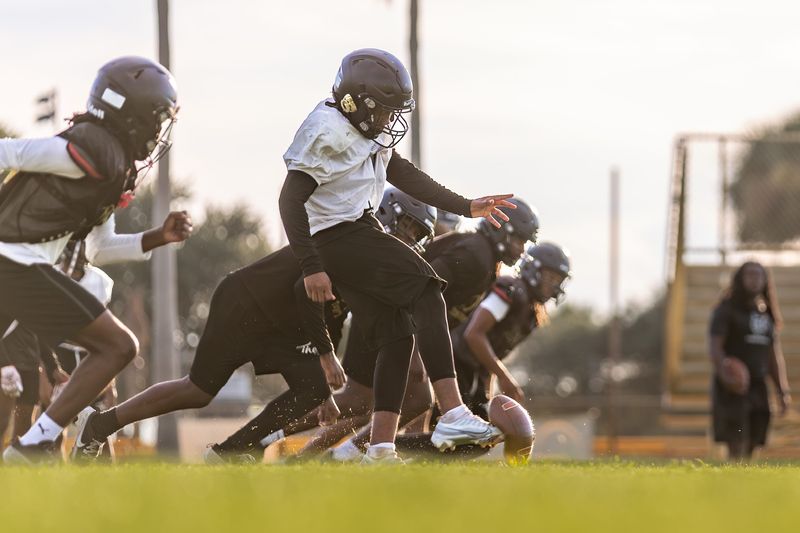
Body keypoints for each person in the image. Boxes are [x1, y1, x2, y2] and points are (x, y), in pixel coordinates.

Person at [71, 186, 438, 463]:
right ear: (388, 215)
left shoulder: (373, 265)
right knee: (198, 391)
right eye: (407, 227)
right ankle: (100, 425)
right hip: (246, 304)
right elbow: (303, 289)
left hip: (278, 321)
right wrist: (326, 356)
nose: (410, 240)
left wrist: (324, 379)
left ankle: (230, 452)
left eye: (417, 235)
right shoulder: (355, 243)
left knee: (313, 389)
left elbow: (332, 315)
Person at [279, 48, 517, 462]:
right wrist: (311, 265)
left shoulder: (363, 130)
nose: (391, 120)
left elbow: (403, 173)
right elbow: (289, 201)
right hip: (336, 237)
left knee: (397, 331)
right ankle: (454, 412)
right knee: (427, 288)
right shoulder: (327, 129)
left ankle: (382, 448)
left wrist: (466, 206)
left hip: (351, 230)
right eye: (386, 110)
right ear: (361, 103)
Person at [0, 56, 179, 463]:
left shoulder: (110, 160)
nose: (158, 129)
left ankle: (36, 444)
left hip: (20, 267)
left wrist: (156, 237)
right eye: (155, 118)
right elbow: (7, 152)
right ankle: (35, 444)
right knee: (117, 346)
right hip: (12, 263)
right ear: (129, 113)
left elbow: (98, 245)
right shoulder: (84, 148)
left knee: (113, 348)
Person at [291, 197, 539, 460]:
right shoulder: (475, 255)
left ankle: (321, 456)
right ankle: (287, 436)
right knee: (401, 399)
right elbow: (420, 284)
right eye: (519, 240)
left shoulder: (485, 259)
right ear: (502, 231)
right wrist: (415, 348)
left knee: (364, 401)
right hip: (387, 312)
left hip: (389, 312)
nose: (521, 248)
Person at [322, 241, 570, 462]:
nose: (553, 285)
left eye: (558, 280)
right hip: (456, 364)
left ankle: (384, 453)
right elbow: (474, 334)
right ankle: (371, 448)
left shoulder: (531, 312)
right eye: (550, 276)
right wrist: (505, 376)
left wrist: (488, 387)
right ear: (533, 269)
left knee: (475, 442)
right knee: (464, 437)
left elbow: (490, 353)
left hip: (472, 373)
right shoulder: (512, 291)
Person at [709, 261, 791, 460]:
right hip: (734, 385)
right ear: (740, 278)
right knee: (736, 438)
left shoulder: (766, 313)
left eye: (759, 275)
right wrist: (726, 374)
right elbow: (715, 347)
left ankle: (745, 479)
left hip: (758, 382)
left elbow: (773, 355)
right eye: (750, 274)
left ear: (765, 281)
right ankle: (732, 476)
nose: (755, 279)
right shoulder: (726, 309)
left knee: (755, 439)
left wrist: (782, 391)